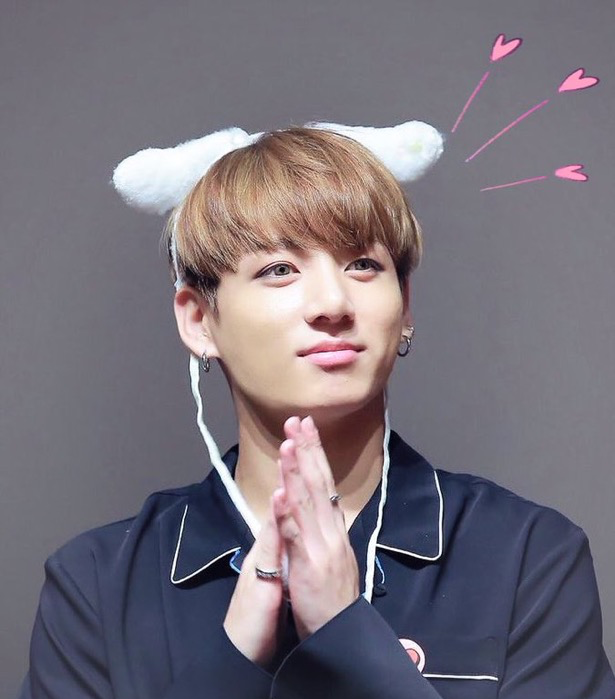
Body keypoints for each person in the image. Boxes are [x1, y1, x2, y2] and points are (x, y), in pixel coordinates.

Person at [20, 125, 615, 699]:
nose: (332, 302)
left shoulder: (526, 556)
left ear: (405, 304)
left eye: (363, 265)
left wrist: (345, 634)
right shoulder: (97, 583)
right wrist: (234, 658)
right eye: (279, 270)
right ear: (199, 320)